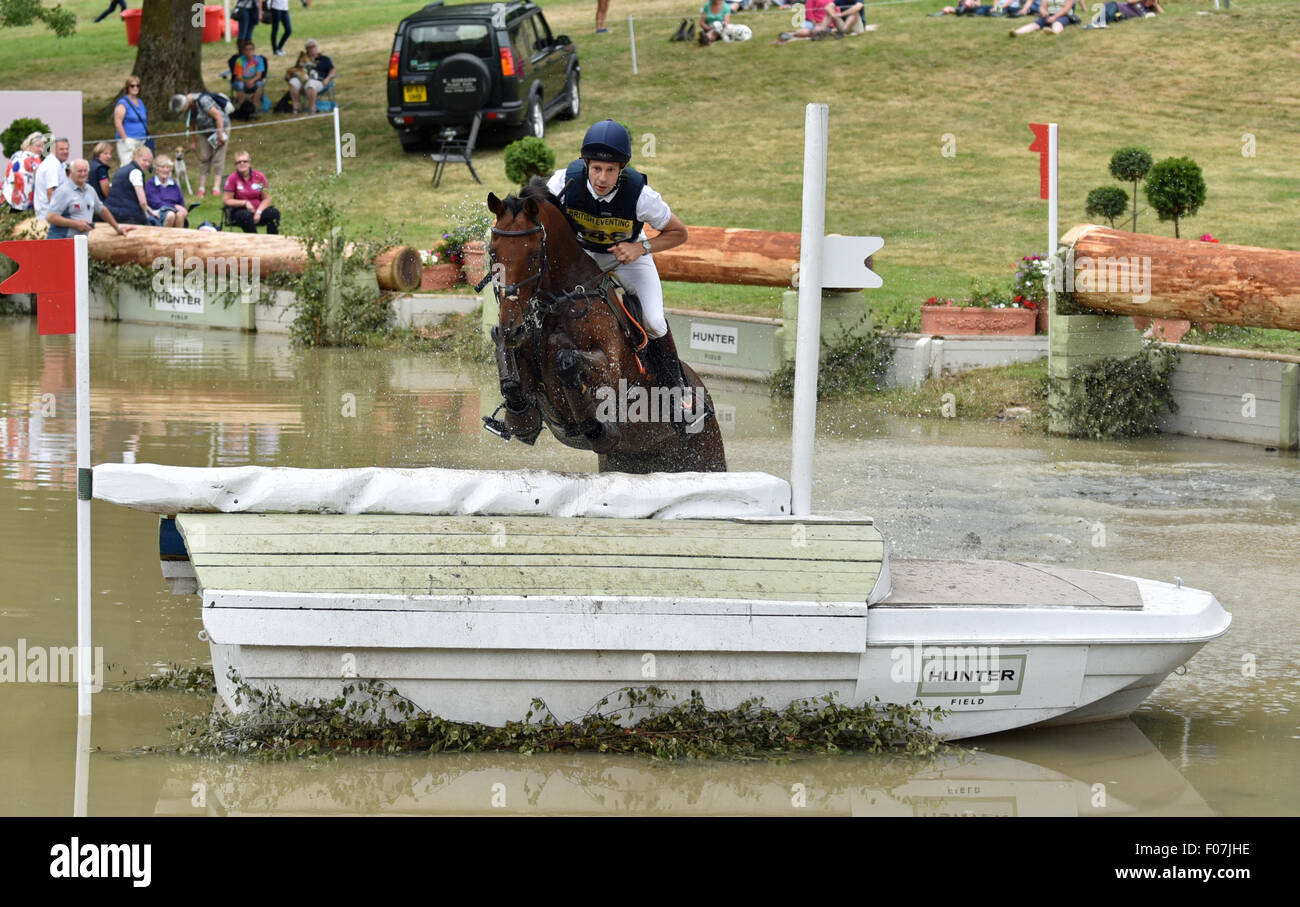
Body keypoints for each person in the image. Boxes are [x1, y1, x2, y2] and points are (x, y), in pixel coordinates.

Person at [544, 120, 701, 419]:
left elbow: (679, 233)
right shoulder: (563, 182)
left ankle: (677, 386)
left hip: (627, 257)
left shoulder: (641, 196)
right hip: (585, 256)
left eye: (611, 170)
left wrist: (642, 248)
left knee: (654, 322)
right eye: (596, 169)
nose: (602, 178)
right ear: (585, 165)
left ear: (622, 169)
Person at [45, 159, 135, 239]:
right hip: (61, 240)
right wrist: (75, 224)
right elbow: (51, 217)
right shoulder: (63, 191)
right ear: (71, 172)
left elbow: (102, 210)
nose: (83, 174)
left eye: (85, 171)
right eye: (79, 171)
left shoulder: (90, 190)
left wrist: (117, 228)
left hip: (80, 244)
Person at [170, 91, 230, 198]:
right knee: (204, 157)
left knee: (218, 158)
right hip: (204, 132)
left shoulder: (203, 101)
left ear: (184, 104)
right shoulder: (189, 107)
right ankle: (202, 187)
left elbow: (218, 116)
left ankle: (216, 188)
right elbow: (192, 123)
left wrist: (220, 135)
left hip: (220, 128)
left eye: (181, 110)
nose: (181, 112)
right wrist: (193, 141)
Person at [222, 151, 280, 233]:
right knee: (246, 215)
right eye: (239, 162)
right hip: (240, 211)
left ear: (249, 163)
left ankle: (274, 241)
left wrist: (259, 212)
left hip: (258, 210)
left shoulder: (259, 177)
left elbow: (266, 198)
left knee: (274, 213)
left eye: (245, 161)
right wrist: (244, 203)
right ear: (236, 165)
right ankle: (254, 240)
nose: (242, 163)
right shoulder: (232, 178)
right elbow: (226, 200)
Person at [103, 143, 155, 225]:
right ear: (135, 157)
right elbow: (142, 202)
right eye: (144, 160)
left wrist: (149, 209)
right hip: (128, 216)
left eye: (149, 162)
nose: (147, 164)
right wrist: (148, 216)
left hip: (111, 212)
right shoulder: (136, 172)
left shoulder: (122, 169)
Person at [288, 39, 336, 113]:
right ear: (306, 49)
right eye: (309, 47)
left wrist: (328, 78)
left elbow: (333, 70)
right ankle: (295, 107)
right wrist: (290, 75)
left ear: (317, 47)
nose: (311, 48)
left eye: (313, 46)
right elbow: (295, 69)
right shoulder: (302, 59)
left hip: (318, 81)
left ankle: (312, 108)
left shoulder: (324, 59)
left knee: (311, 84)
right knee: (293, 81)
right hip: (302, 80)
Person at [114, 76, 151, 166]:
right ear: (128, 87)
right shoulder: (123, 103)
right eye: (132, 86)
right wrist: (126, 139)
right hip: (128, 140)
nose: (135, 88)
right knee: (128, 165)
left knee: (140, 166)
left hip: (141, 140)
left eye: (137, 86)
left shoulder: (140, 102)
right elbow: (118, 122)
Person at [2, 133, 44, 212]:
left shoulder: (16, 155)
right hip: (23, 203)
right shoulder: (34, 158)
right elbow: (41, 178)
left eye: (42, 147)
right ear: (30, 145)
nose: (41, 150)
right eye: (38, 146)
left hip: (7, 197)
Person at [144, 154, 190, 228]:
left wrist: (183, 209)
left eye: (168, 167)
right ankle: (164, 238)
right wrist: (175, 206)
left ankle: (177, 238)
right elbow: (156, 203)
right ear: (157, 169)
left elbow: (181, 202)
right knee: (170, 215)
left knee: (180, 214)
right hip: (157, 212)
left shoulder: (173, 184)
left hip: (174, 211)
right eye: (162, 167)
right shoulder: (150, 184)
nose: (165, 170)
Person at [32, 136, 70, 222]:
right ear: (53, 150)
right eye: (61, 149)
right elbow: (51, 193)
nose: (65, 151)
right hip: (49, 217)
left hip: (49, 214)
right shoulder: (52, 165)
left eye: (67, 149)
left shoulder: (57, 163)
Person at [230, 40, 268, 111]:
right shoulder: (239, 60)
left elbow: (259, 75)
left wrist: (252, 81)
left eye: (250, 49)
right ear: (243, 51)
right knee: (240, 85)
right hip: (241, 82)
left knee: (260, 84)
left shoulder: (259, 59)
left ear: (253, 50)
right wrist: (247, 82)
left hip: (254, 82)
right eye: (246, 50)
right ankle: (243, 108)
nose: (249, 51)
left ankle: (254, 107)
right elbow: (238, 77)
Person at [1011, 0, 1077, 34]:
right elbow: (1042, 7)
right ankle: (1017, 32)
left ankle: (1054, 32)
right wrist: (1043, 12)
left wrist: (1054, 17)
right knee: (1035, 24)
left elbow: (1066, 9)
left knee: (1057, 23)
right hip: (1049, 14)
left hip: (1064, 15)